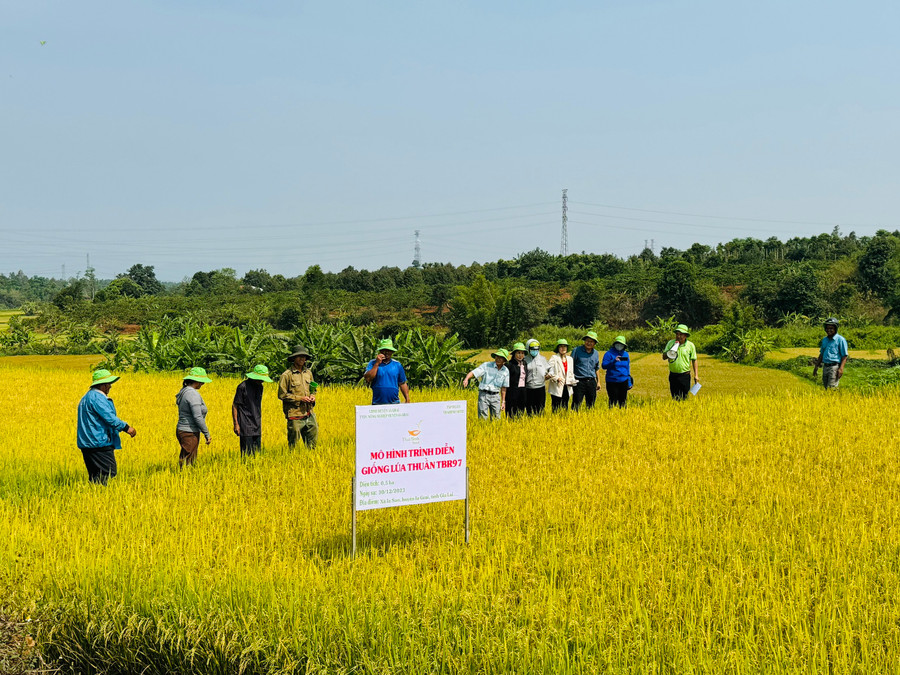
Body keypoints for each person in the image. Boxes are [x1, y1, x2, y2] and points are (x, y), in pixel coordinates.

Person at [76, 369, 137, 485]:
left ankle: (94, 495)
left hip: (87, 443)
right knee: (108, 473)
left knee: (95, 475)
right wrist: (127, 428)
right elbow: (110, 418)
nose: (110, 387)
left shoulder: (86, 398)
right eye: (109, 384)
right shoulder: (97, 398)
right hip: (98, 442)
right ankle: (102, 495)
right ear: (103, 385)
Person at [278, 345, 318, 449]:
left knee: (312, 444)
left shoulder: (308, 373)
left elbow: (313, 389)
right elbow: (282, 395)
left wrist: (312, 396)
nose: (302, 359)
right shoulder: (286, 375)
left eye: (304, 357)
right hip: (295, 414)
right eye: (299, 356)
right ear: (293, 358)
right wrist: (300, 398)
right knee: (293, 445)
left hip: (309, 412)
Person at [232, 364, 273, 457]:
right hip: (245, 425)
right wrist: (236, 424)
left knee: (257, 453)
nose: (262, 381)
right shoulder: (242, 387)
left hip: (257, 424)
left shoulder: (260, 387)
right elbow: (235, 405)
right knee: (247, 454)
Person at [176, 366, 212, 466]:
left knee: (185, 458)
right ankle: (184, 479)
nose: (203, 384)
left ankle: (180, 477)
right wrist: (207, 434)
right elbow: (198, 417)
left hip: (183, 430)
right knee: (189, 462)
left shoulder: (184, 391)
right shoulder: (192, 394)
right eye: (202, 382)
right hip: (189, 432)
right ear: (197, 381)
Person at [463, 348, 510, 420]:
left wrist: (503, 401)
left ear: (504, 360)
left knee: (496, 419)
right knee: (482, 418)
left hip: (496, 396)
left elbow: (504, 387)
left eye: (501, 358)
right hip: (484, 395)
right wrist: (466, 378)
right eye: (497, 356)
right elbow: (474, 372)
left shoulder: (505, 371)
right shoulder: (486, 365)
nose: (498, 359)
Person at [364, 339, 410, 405]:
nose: (386, 352)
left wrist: (407, 399)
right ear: (380, 351)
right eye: (384, 350)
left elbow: (402, 383)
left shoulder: (397, 365)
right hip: (377, 403)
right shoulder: (372, 363)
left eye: (389, 350)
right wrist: (377, 363)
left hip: (394, 403)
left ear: (392, 351)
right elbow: (368, 378)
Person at [662, 324, 699, 401]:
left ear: (685, 336)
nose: (678, 336)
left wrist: (696, 375)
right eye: (677, 334)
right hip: (673, 375)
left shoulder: (690, 345)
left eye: (681, 334)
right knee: (675, 397)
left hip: (685, 376)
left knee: (684, 397)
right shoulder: (670, 343)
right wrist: (672, 350)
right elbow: (664, 357)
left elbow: (694, 360)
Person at [813, 317, 848, 389]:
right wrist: (816, 366)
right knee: (826, 388)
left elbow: (844, 356)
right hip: (825, 367)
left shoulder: (840, 340)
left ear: (835, 329)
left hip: (834, 367)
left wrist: (841, 369)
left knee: (831, 388)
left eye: (831, 328)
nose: (829, 330)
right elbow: (821, 354)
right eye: (827, 328)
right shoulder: (824, 340)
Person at [571, 331, 601, 411]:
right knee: (576, 403)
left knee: (591, 404)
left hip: (591, 381)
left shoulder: (596, 353)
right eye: (587, 341)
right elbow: (571, 365)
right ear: (584, 341)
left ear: (594, 343)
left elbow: (596, 368)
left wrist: (598, 382)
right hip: (579, 381)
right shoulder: (576, 350)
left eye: (591, 341)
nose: (589, 343)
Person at [601, 335, 631, 408]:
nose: (619, 345)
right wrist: (613, 361)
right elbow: (604, 366)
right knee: (613, 401)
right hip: (612, 381)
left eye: (621, 344)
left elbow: (627, 367)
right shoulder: (609, 354)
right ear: (614, 344)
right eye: (618, 343)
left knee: (623, 401)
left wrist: (629, 381)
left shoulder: (625, 354)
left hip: (623, 380)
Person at [547, 339, 576, 412]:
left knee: (565, 405)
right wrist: (556, 378)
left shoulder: (570, 359)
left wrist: (572, 380)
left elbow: (571, 372)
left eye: (565, 346)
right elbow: (549, 370)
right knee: (556, 406)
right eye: (561, 346)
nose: (563, 348)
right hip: (557, 385)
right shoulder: (554, 358)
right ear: (558, 348)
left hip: (567, 385)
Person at [524, 338, 550, 416]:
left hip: (540, 388)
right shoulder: (524, 359)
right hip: (529, 388)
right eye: (532, 349)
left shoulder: (542, 359)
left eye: (536, 349)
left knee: (540, 409)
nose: (535, 351)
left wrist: (550, 374)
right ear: (528, 349)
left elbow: (549, 368)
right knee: (529, 410)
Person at [504, 342, 528, 418]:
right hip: (512, 391)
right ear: (514, 354)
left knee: (521, 410)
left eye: (522, 353)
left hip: (523, 390)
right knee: (511, 411)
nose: (520, 355)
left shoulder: (525, 363)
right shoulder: (509, 364)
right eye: (518, 353)